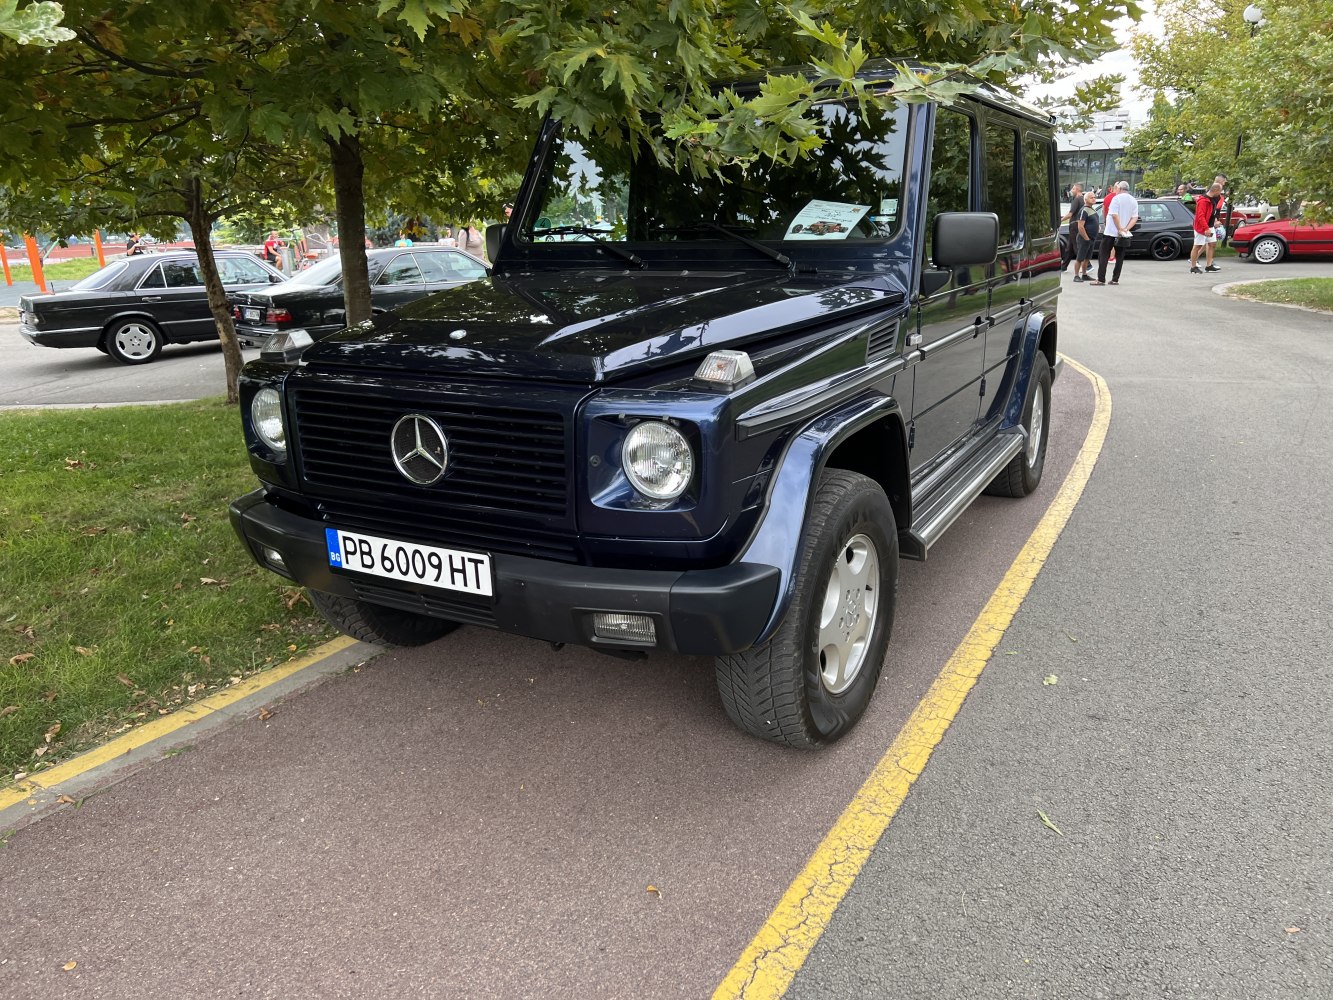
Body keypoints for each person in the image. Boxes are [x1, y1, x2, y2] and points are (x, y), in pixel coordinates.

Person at [1092, 181, 1138, 286]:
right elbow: (1134, 217)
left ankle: (1101, 279)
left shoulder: (1116, 199)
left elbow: (1114, 215)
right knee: (1120, 256)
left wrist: (1119, 228)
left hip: (1111, 231)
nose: (1115, 190)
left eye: (1116, 188)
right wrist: (1126, 228)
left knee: (1103, 254)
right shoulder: (1133, 200)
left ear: (1120, 189)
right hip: (1123, 234)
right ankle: (1115, 279)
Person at [1189, 182, 1225, 274]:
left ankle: (1209, 266)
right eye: (1220, 191)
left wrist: (1214, 222)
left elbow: (1213, 212)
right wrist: (1206, 228)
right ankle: (1193, 267)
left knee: (1212, 244)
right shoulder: (1203, 201)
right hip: (1201, 227)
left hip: (1210, 225)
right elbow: (1200, 217)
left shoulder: (1213, 199)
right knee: (1197, 246)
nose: (1220, 193)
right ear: (1216, 190)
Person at [1072, 189, 1100, 283]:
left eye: (1094, 197)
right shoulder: (1083, 210)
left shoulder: (1092, 209)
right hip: (1084, 239)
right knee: (1080, 257)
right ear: (1086, 199)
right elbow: (1080, 226)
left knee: (1087, 257)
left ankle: (1084, 274)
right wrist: (1086, 238)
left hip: (1091, 238)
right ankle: (1076, 275)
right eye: (1091, 197)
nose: (1094, 199)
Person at [1060, 184, 1084, 272]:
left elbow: (1070, 214)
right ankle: (1063, 266)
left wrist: (1061, 220)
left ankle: (1086, 265)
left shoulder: (1077, 200)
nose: (1071, 191)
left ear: (1077, 190)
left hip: (1074, 226)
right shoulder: (1084, 199)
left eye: (1073, 189)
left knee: (1076, 246)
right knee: (1070, 248)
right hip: (1079, 225)